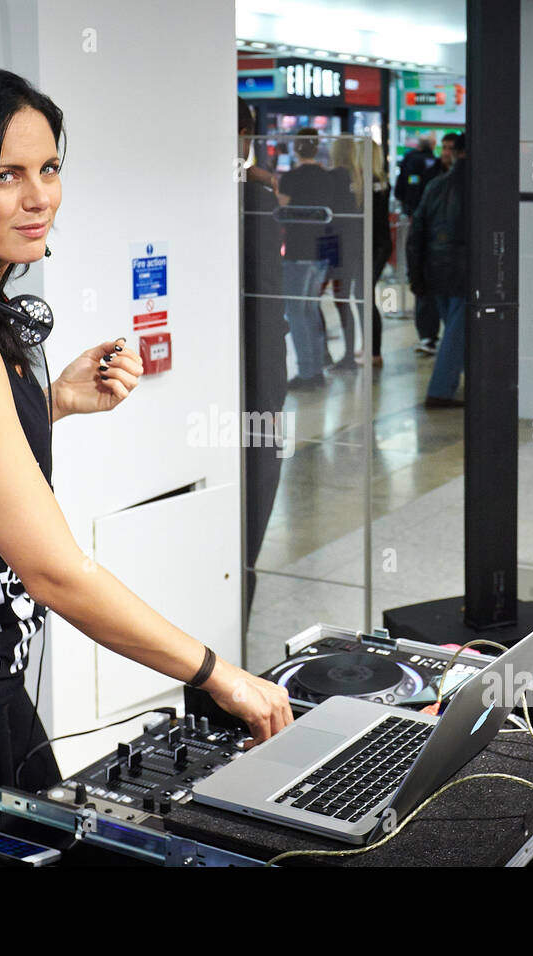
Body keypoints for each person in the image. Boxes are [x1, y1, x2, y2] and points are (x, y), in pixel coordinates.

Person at [0, 67, 293, 866]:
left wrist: (54, 401)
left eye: (49, 168)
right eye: (6, 176)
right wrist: (218, 674)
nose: (39, 197)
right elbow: (54, 572)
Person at [237, 99, 287, 628]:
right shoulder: (253, 196)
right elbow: (268, 312)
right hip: (251, 395)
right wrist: (273, 404)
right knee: (243, 543)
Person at [276, 126, 337, 389]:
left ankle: (307, 372)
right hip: (322, 251)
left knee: (296, 313)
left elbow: (281, 209)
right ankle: (317, 367)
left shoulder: (290, 178)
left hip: (299, 251)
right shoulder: (328, 178)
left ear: (296, 148)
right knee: (311, 310)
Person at [407, 153, 469, 408]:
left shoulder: (435, 185)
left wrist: (416, 273)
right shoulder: (478, 188)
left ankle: (464, 381)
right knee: (456, 335)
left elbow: (416, 232)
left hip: (436, 268)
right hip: (464, 272)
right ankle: (440, 391)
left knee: (456, 332)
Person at [395, 133, 444, 354]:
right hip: (429, 231)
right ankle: (429, 335)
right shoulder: (435, 169)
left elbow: (401, 188)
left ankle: (427, 336)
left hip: (417, 223)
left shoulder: (412, 161)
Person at [326, 136, 365, 369]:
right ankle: (351, 351)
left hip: (336, 244)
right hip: (355, 243)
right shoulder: (358, 176)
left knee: (340, 298)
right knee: (347, 297)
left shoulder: (334, 176)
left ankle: (347, 354)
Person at [368, 141, 393, 368]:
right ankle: (372, 348)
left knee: (366, 296)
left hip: (376, 245)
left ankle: (374, 351)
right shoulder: (382, 182)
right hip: (379, 244)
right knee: (366, 296)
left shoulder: (373, 183)